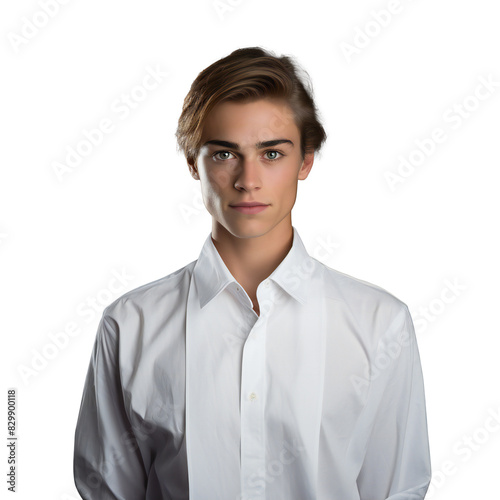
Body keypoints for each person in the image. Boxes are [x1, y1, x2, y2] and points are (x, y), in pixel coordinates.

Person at [73, 46, 432, 500]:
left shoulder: (379, 323)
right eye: (224, 154)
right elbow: (106, 491)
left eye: (272, 153)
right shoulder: (130, 325)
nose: (247, 179)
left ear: (305, 161)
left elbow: (397, 489)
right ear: (192, 164)